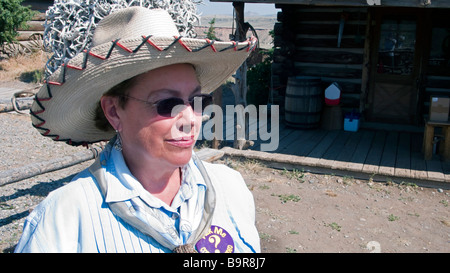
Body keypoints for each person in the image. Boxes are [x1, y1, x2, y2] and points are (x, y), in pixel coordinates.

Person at [15, 7, 260, 253]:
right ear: (114, 111)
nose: (190, 119)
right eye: (168, 104)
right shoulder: (65, 220)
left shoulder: (230, 188)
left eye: (198, 101)